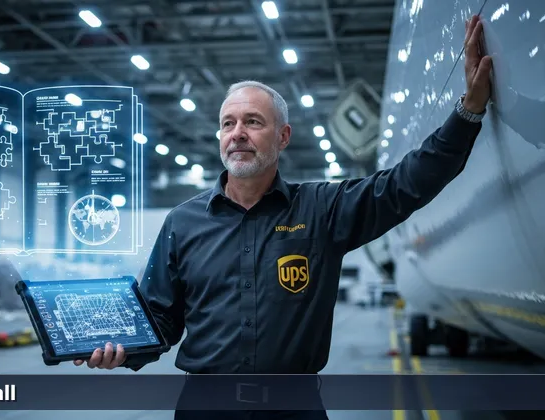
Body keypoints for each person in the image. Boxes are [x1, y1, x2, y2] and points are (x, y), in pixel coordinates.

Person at [74, 14, 493, 419]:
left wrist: (468, 113)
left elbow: (406, 183)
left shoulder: (323, 209)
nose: (237, 133)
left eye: (253, 122)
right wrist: (121, 349)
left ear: (283, 136)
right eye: (228, 124)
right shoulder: (182, 223)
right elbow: (160, 318)